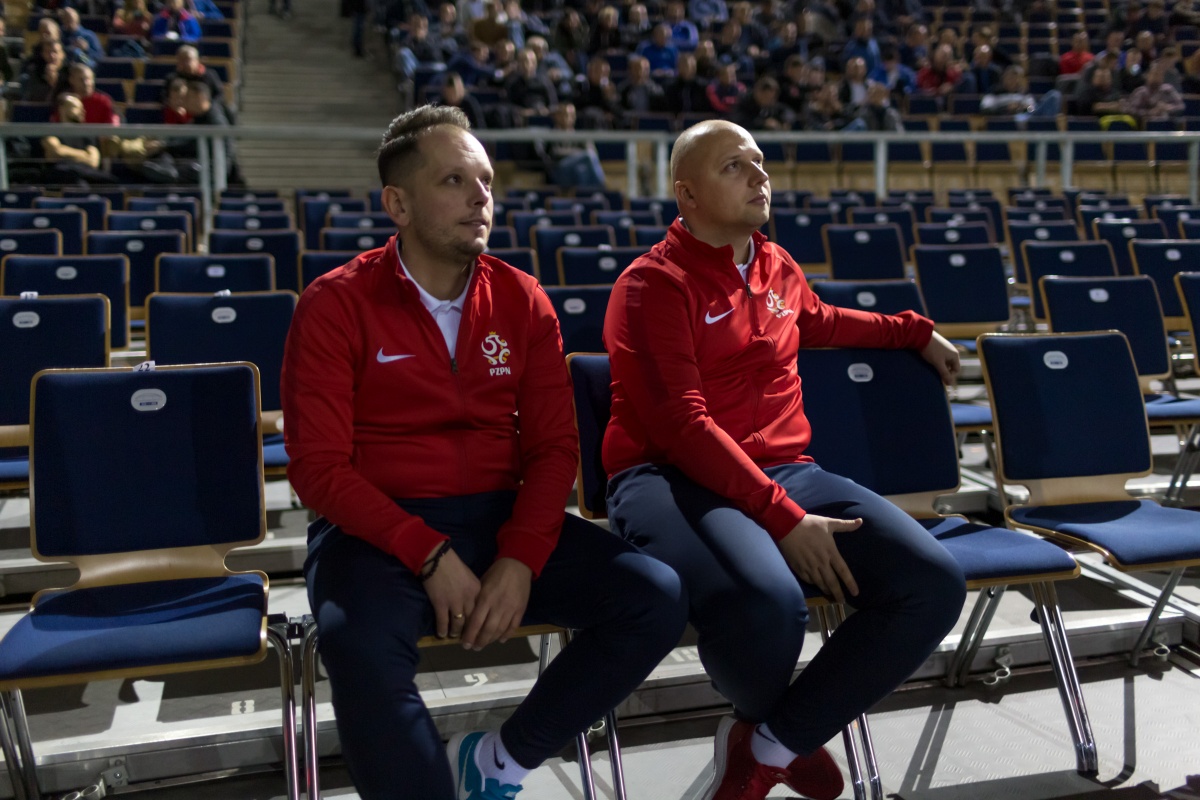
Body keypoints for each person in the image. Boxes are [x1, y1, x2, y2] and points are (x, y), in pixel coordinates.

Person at [280, 105, 687, 800]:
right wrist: (428, 555)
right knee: (360, 647)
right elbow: (318, 470)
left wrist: (520, 558)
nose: (481, 198)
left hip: (501, 518)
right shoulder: (335, 303)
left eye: (487, 182)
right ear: (398, 204)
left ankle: (499, 761)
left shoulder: (523, 299)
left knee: (655, 596)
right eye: (454, 181)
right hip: (377, 529)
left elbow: (554, 447)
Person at [601, 118, 967, 800]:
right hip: (669, 477)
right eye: (734, 166)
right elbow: (683, 426)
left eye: (760, 162)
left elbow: (819, 320)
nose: (759, 176)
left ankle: (771, 742)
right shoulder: (652, 285)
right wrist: (783, 518)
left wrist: (914, 331)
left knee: (934, 583)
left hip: (783, 469)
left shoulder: (775, 265)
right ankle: (777, 732)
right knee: (767, 604)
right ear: (686, 193)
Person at [41, 93, 119, 185]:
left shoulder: (88, 134)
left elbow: (93, 161)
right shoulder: (51, 130)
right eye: (77, 108)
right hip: (62, 173)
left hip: (87, 173)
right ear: (62, 109)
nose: (83, 111)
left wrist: (65, 152)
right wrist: (84, 155)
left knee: (111, 182)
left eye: (82, 108)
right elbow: (55, 152)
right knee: (79, 183)